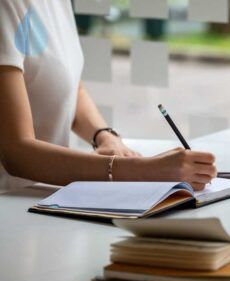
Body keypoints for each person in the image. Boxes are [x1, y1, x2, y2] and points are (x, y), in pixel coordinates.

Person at [0, 1, 216, 191]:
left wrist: (105, 137)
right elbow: (16, 152)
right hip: (9, 206)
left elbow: (69, 86)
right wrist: (146, 171)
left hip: (40, 197)